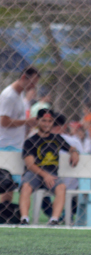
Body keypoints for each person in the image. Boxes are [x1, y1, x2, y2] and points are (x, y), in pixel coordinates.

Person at [19, 109, 79, 225]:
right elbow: (30, 164)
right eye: (44, 121)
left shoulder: (56, 138)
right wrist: (45, 175)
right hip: (35, 174)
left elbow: (70, 148)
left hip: (52, 174)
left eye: (50, 121)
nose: (47, 124)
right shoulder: (30, 141)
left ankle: (54, 220)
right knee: (26, 186)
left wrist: (74, 152)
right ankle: (24, 218)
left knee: (61, 187)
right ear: (37, 121)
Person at [0, 67, 40, 203]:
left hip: (16, 144)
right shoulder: (9, 96)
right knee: (5, 183)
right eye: (32, 82)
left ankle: (5, 213)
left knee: (10, 186)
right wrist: (26, 121)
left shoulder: (19, 95)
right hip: (5, 145)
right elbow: (3, 121)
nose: (33, 86)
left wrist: (27, 125)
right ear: (24, 77)